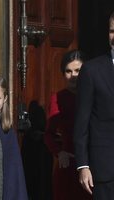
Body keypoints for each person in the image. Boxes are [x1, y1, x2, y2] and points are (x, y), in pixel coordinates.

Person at [73, 11, 114, 200]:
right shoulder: (91, 70)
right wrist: (83, 165)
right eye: (112, 31)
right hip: (105, 169)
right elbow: (82, 121)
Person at [44, 49, 91, 200]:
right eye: (68, 71)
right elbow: (49, 134)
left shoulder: (97, 95)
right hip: (69, 166)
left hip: (95, 164)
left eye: (78, 70)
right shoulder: (58, 98)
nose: (73, 75)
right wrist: (59, 152)